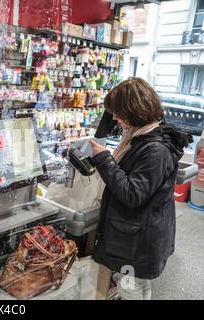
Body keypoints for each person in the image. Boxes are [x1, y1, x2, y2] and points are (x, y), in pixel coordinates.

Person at [89, 78, 192, 300]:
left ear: (134, 111)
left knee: (131, 287)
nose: (114, 118)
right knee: (137, 285)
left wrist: (104, 159)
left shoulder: (155, 149)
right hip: (139, 233)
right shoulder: (144, 136)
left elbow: (133, 195)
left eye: (118, 112)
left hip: (139, 241)